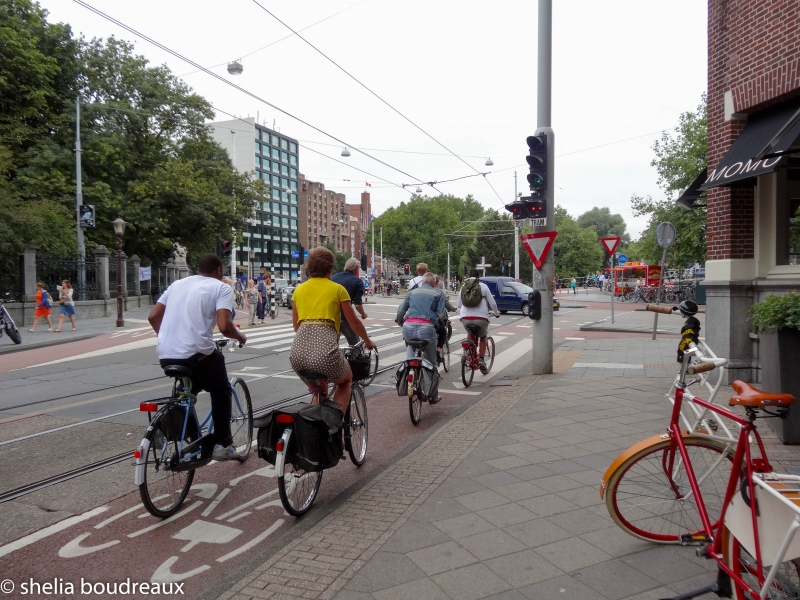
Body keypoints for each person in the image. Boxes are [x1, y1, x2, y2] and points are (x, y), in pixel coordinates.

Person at [148, 253, 247, 461]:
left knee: (186, 390)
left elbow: (153, 316)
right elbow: (224, 326)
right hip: (197, 355)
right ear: (219, 271)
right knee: (221, 389)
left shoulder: (177, 285)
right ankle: (223, 443)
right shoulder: (221, 287)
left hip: (166, 354)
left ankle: (187, 436)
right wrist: (240, 336)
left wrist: (170, 338)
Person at [290, 247, 376, 415]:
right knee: (346, 381)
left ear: (310, 268)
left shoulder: (299, 290)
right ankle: (334, 428)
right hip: (324, 353)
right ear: (330, 269)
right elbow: (355, 323)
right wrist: (367, 340)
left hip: (297, 355)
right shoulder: (337, 290)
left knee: (319, 390)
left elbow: (296, 327)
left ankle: (315, 427)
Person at [396, 272, 446, 403]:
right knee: (432, 362)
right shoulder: (438, 293)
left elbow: (401, 310)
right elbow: (441, 315)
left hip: (408, 327)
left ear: (422, 282)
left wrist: (400, 322)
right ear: (434, 283)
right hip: (427, 329)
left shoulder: (411, 293)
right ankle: (433, 396)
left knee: (410, 356)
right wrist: (441, 325)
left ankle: (408, 379)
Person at [457, 269, 499, 374]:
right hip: (481, 318)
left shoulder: (463, 286)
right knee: (483, 337)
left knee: (470, 333)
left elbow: (458, 304)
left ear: (469, 276)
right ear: (478, 277)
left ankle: (469, 355)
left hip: (465, 318)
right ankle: (481, 359)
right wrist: (496, 313)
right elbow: (492, 303)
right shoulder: (483, 286)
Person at [331, 258, 368, 345]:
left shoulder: (334, 277)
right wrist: (363, 314)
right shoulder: (358, 282)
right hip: (345, 317)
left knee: (332, 344)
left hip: (331, 317)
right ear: (355, 269)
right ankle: (356, 356)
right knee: (355, 344)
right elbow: (358, 305)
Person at [433, 275, 456, 363]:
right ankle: (438, 351)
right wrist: (453, 309)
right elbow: (447, 306)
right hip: (434, 320)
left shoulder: (419, 291)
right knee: (443, 333)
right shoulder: (439, 293)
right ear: (437, 283)